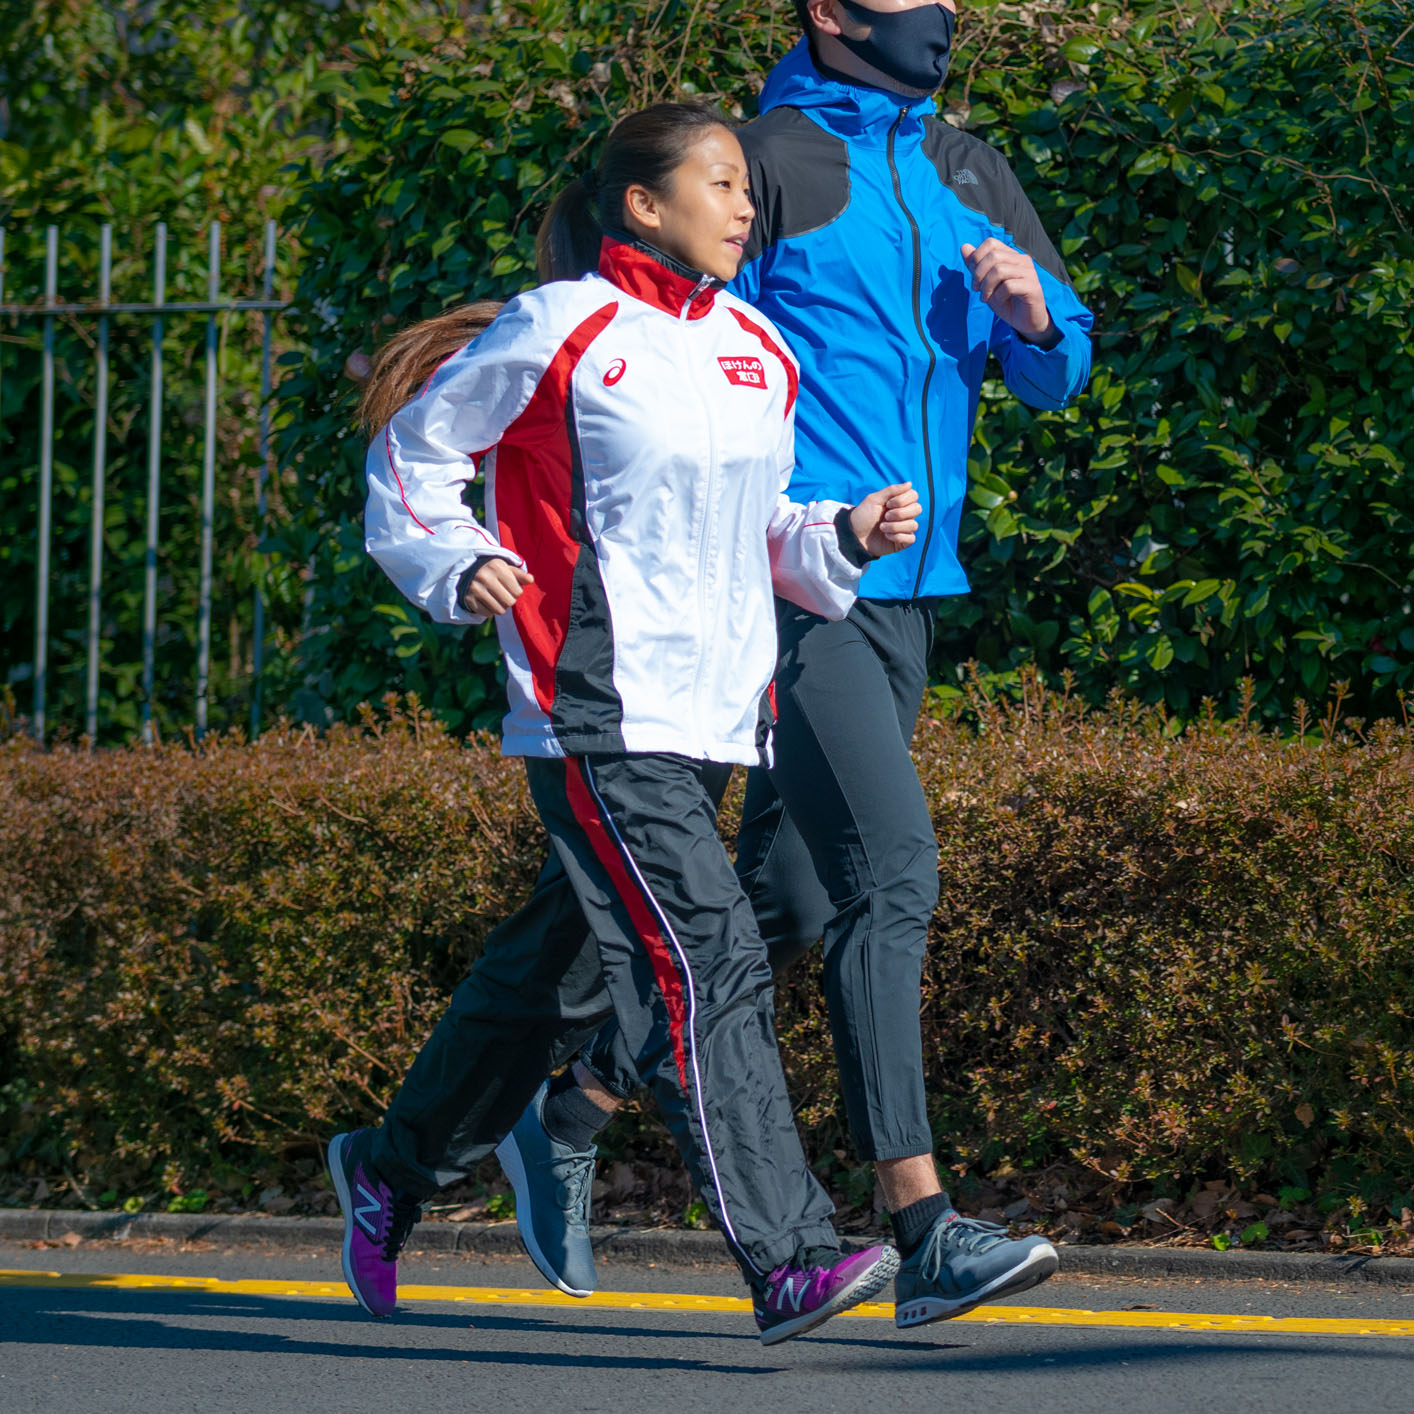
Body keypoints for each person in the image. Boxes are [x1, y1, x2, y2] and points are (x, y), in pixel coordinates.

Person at [496, 0, 1095, 1331]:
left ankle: (572, 1103)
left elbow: (1059, 367)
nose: (936, 10)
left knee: (787, 904)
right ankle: (922, 1225)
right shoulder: (756, 162)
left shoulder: (961, 165)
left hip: (911, 588)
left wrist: (1033, 314)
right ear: (830, 11)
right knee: (893, 869)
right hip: (795, 586)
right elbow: (673, 361)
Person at [329, 101, 925, 1346]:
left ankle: (396, 1164)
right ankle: (793, 1255)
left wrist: (839, 536)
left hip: (712, 716)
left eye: (747, 186)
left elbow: (756, 534)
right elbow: (411, 460)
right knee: (703, 962)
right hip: (597, 707)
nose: (746, 202)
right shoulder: (560, 326)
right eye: (721, 182)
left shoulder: (758, 349)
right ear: (645, 205)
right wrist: (457, 557)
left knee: (556, 964)